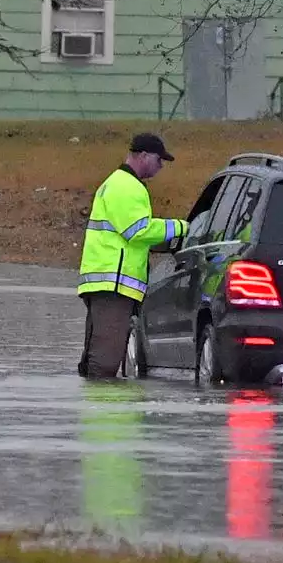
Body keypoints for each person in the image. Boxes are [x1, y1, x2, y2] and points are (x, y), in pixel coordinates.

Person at [77, 132, 188, 379]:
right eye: (160, 160)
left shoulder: (117, 183)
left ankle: (95, 408)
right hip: (114, 285)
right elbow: (137, 230)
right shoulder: (126, 186)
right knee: (105, 361)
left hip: (105, 282)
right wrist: (181, 227)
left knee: (97, 355)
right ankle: (106, 412)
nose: (161, 167)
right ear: (144, 155)